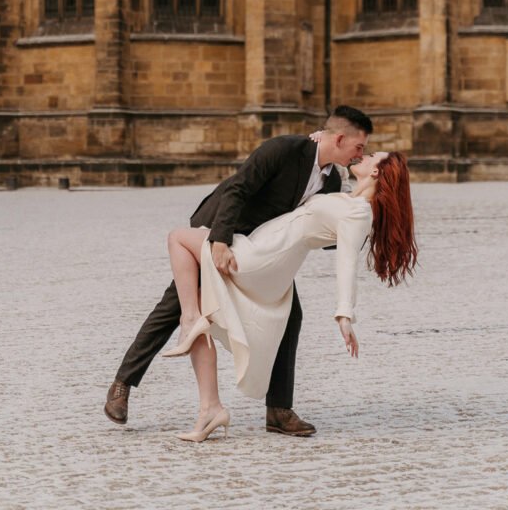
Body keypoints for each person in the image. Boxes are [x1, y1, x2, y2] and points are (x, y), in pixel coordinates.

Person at [104, 105, 373, 436]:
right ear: (341, 138)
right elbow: (238, 188)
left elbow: (320, 233)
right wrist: (219, 239)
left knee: (292, 314)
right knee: (174, 306)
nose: (361, 155)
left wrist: (358, 233)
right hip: (221, 226)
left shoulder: (332, 181)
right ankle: (122, 385)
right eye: (359, 147)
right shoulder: (285, 149)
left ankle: (278, 411)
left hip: (258, 249)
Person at [163, 150, 417, 442]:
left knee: (178, 238)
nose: (364, 155)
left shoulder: (359, 212)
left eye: (371, 156)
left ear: (376, 172)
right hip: (263, 250)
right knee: (202, 307)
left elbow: (347, 262)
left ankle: (188, 317)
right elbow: (328, 171)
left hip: (261, 257)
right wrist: (321, 145)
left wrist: (344, 314)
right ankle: (210, 408)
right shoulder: (348, 196)